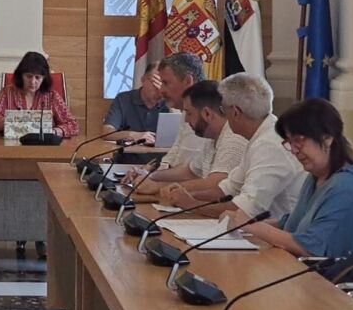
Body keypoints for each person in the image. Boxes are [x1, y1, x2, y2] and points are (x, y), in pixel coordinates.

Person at [230, 98, 353, 258]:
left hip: (333, 272)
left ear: (327, 137)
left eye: (298, 141)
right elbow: (292, 224)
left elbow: (310, 247)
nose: (294, 150)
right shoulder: (315, 177)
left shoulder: (348, 185)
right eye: (289, 143)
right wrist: (244, 225)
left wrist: (252, 226)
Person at [163, 73, 306, 220]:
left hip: (277, 231)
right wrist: (185, 195)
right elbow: (227, 189)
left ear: (236, 113)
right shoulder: (260, 136)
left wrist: (190, 203)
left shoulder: (270, 145)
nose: (222, 116)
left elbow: (245, 210)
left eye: (223, 110)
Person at [137, 81, 248, 199]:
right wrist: (150, 176)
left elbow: (216, 184)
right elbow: (190, 171)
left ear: (207, 114)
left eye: (189, 113)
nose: (186, 120)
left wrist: (157, 187)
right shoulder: (212, 138)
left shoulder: (234, 138)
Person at [122, 52, 210, 185]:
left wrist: (155, 182)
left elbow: (202, 176)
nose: (161, 90)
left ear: (188, 81)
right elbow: (173, 157)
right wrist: (148, 175)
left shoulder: (210, 118)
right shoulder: (185, 113)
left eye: (165, 83)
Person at [0, 51, 79, 138]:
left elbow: (73, 125)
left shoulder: (52, 96)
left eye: (38, 77)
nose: (33, 82)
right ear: (21, 75)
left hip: (43, 147)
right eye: (28, 76)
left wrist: (53, 132)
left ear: (44, 78)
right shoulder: (7, 93)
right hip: (11, 146)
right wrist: (6, 121)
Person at [101, 62, 167, 142]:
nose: (159, 87)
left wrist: (169, 96)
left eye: (164, 83)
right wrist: (133, 135)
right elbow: (107, 132)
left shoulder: (171, 103)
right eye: (155, 82)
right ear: (143, 80)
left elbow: (179, 136)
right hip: (129, 150)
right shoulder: (123, 99)